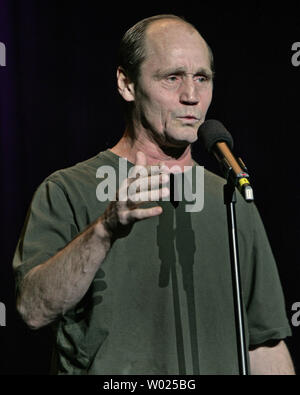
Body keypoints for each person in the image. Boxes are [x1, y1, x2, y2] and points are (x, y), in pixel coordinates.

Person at [13, 14, 295, 375]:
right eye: (172, 77)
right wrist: (104, 229)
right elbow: (33, 311)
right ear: (127, 84)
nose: (191, 96)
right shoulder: (68, 189)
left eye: (201, 78)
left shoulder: (230, 196)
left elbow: (264, 342)